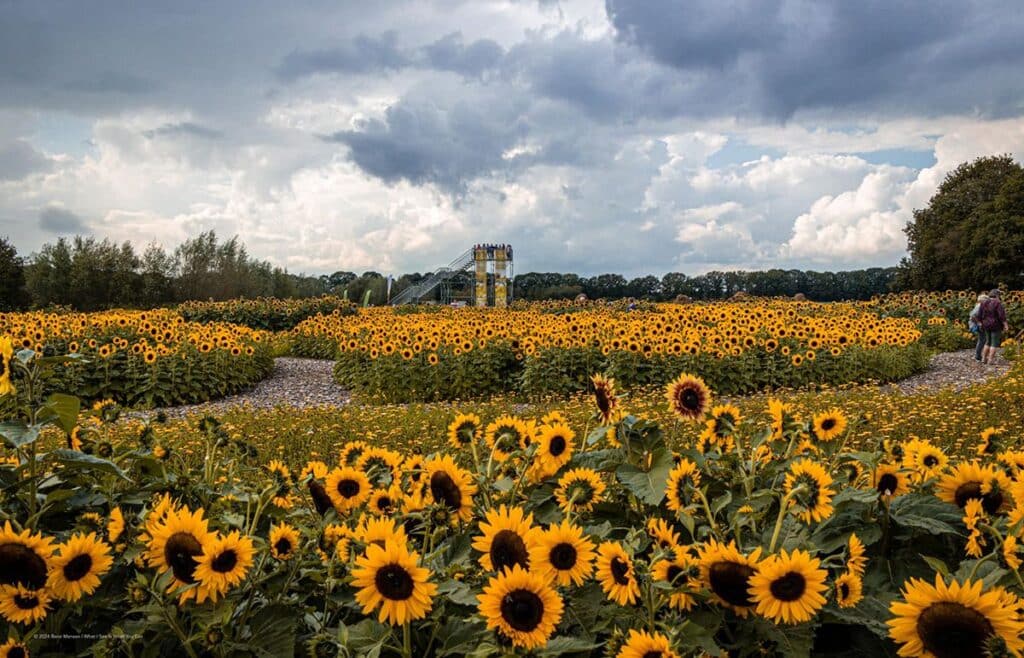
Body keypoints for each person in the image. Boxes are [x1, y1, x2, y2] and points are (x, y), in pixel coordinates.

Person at [978, 289, 1009, 365]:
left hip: (986, 324)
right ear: (997, 295)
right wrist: (1005, 325)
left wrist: (981, 323)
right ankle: (990, 360)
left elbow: (979, 315)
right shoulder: (997, 303)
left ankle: (983, 359)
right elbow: (1001, 316)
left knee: (987, 342)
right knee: (994, 343)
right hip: (995, 325)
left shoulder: (983, 303)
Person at [969, 293, 988, 362]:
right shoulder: (979, 306)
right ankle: (978, 356)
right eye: (986, 299)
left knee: (982, 339)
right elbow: (973, 316)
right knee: (982, 340)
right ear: (982, 300)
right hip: (977, 325)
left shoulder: (980, 305)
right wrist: (979, 323)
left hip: (978, 324)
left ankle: (979, 356)